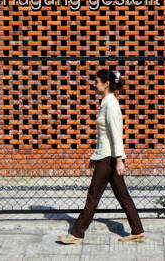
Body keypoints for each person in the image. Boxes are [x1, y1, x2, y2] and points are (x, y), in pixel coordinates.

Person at [57, 69, 145, 244]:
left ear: (106, 84)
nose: (94, 84)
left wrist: (119, 159)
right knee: (122, 195)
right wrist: (94, 156)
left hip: (109, 159)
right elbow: (104, 136)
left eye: (97, 81)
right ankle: (138, 230)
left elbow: (115, 133)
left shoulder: (111, 104)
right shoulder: (106, 102)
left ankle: (76, 234)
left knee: (93, 197)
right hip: (106, 156)